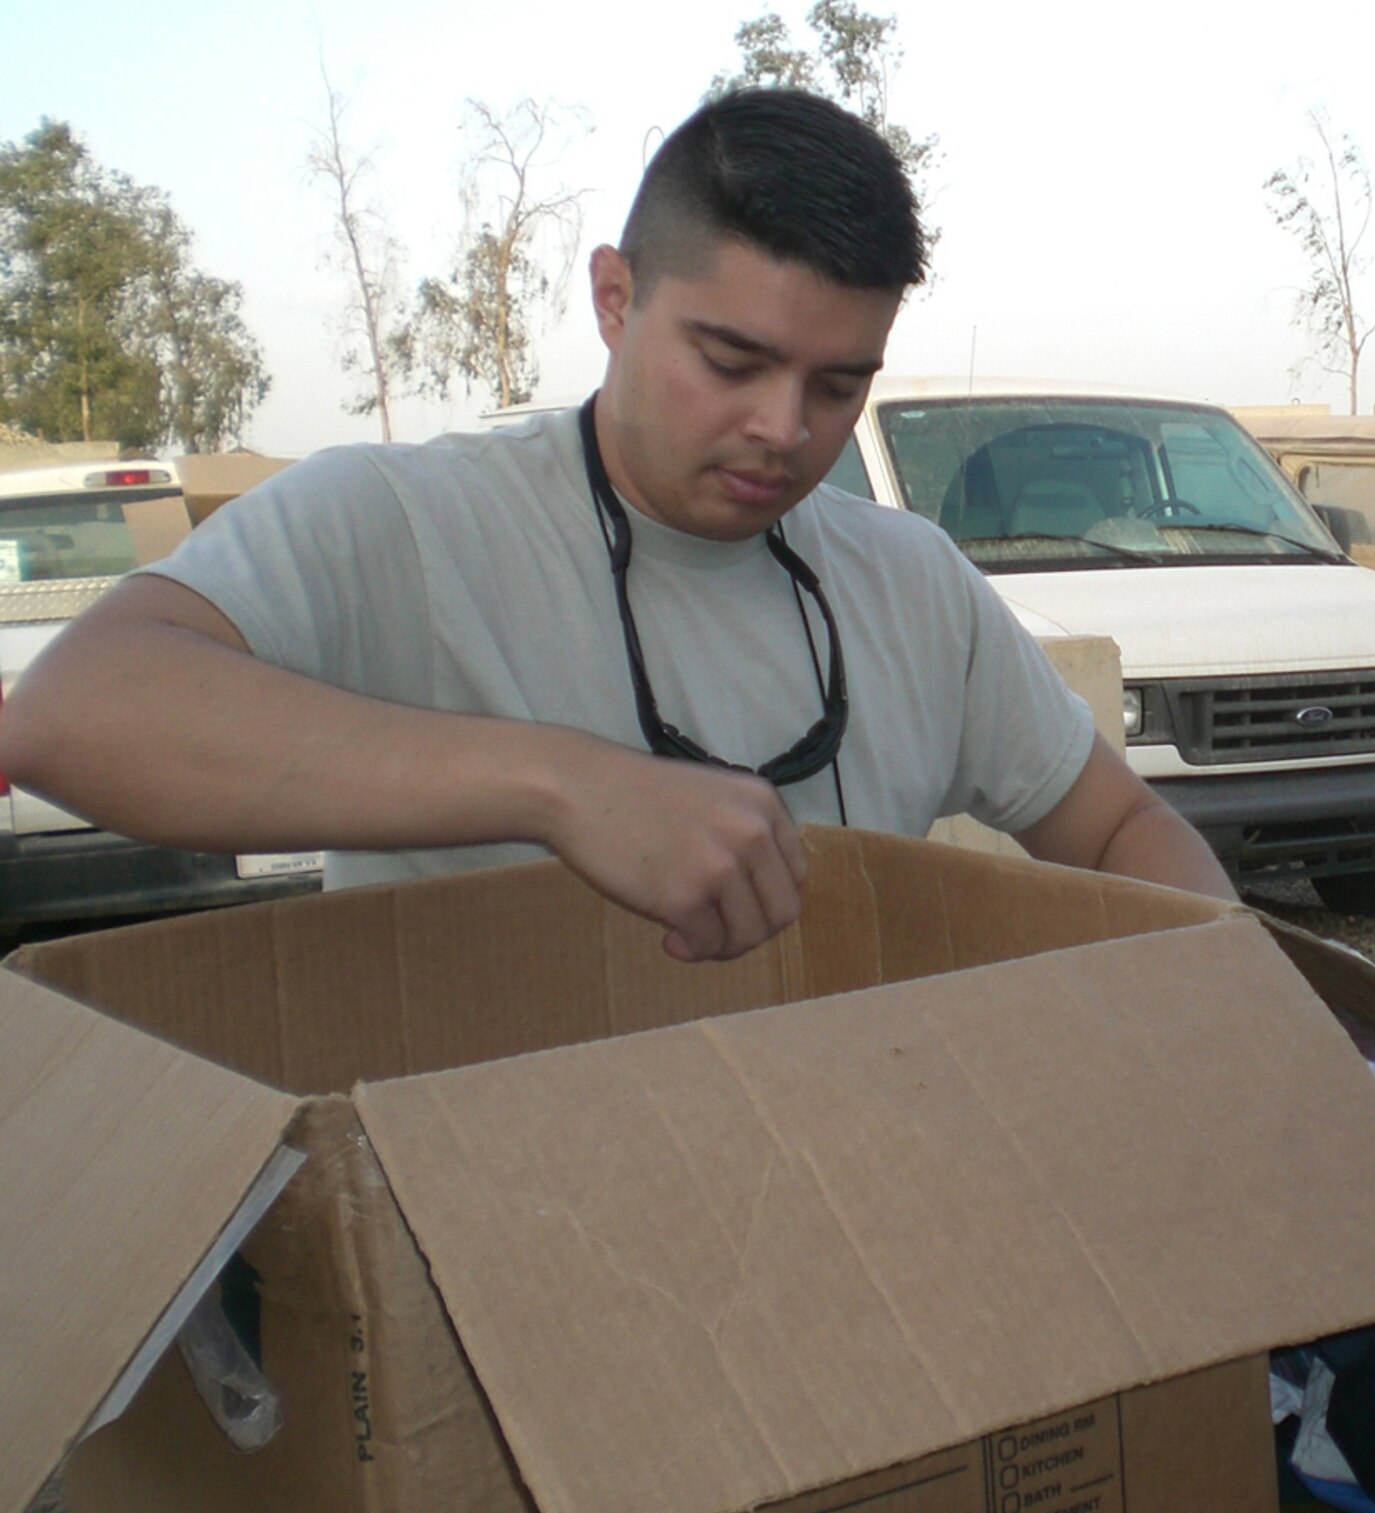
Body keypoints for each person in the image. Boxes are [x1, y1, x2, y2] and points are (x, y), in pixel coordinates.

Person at [0, 88, 1234, 963]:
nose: (781, 428)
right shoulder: (408, 523)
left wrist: (1227, 994)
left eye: (835, 385)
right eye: (731, 358)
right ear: (614, 296)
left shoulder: (909, 581)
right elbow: (75, 715)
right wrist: (568, 789)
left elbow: (1120, 825)